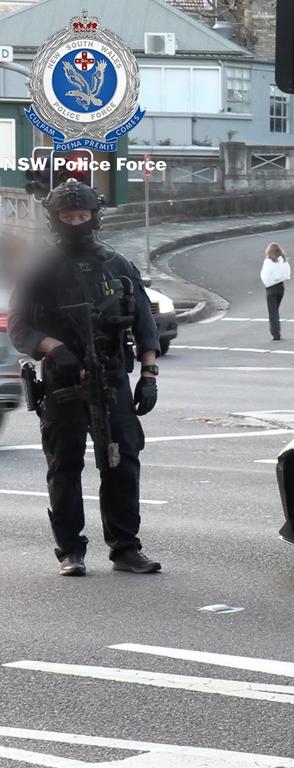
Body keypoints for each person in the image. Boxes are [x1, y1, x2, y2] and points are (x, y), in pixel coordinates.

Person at [7, 178, 162, 577]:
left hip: (112, 377)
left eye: (82, 214)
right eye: (67, 215)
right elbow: (20, 327)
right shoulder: (40, 268)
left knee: (122, 461)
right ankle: (70, 551)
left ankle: (126, 547)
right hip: (63, 380)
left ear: (95, 216)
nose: (75, 221)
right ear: (55, 219)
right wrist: (54, 348)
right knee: (65, 463)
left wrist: (148, 373)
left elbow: (145, 322)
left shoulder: (118, 264)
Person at [260, 242, 291, 341]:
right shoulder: (283, 260)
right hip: (280, 287)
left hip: (270, 288)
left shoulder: (267, 261)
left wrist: (268, 282)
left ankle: (276, 333)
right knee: (275, 310)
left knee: (272, 312)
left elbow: (265, 274)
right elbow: (287, 271)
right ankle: (276, 330)